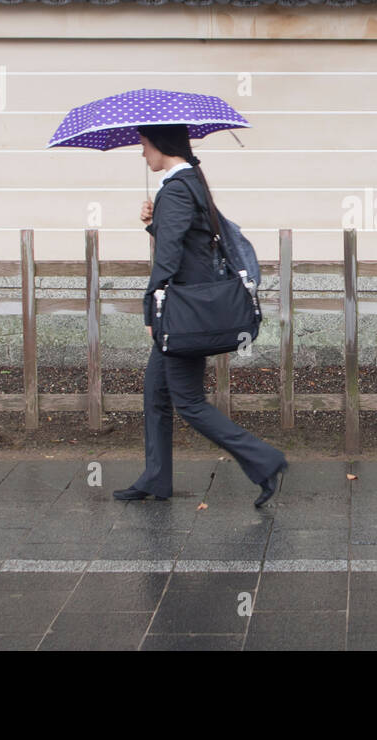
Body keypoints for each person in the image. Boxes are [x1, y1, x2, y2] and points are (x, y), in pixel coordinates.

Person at [113, 123, 288, 507]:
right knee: (155, 394)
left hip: (182, 314)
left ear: (160, 144)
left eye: (144, 145)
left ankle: (265, 459)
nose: (142, 154)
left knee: (188, 402)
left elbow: (171, 257)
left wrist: (150, 309)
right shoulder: (191, 182)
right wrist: (152, 224)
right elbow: (190, 246)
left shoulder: (176, 190)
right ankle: (156, 478)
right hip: (189, 308)